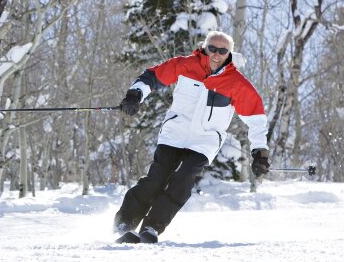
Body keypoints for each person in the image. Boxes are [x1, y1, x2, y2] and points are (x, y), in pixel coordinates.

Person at [114, 31, 270, 243]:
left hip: (204, 141)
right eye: (212, 48)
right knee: (156, 179)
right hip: (174, 134)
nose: (216, 54)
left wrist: (260, 152)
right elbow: (151, 77)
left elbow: (257, 118)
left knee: (183, 180)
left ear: (229, 53)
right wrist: (135, 94)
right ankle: (124, 224)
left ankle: (151, 228)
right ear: (205, 47)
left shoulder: (236, 82)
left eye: (222, 50)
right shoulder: (184, 65)